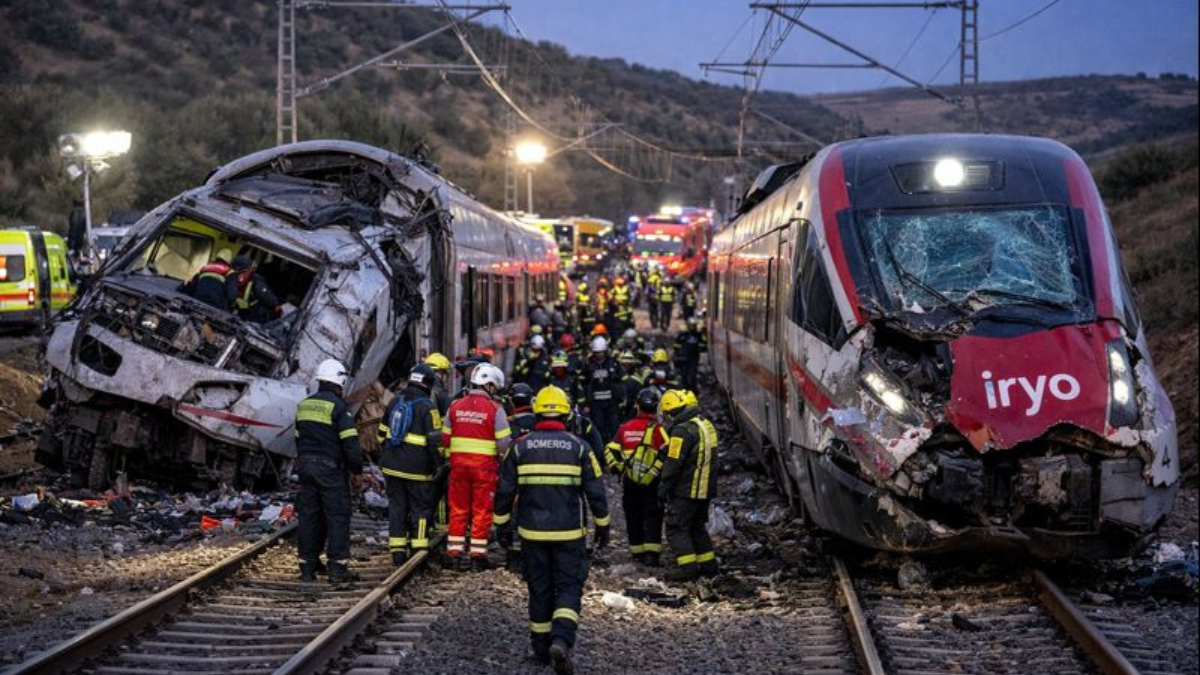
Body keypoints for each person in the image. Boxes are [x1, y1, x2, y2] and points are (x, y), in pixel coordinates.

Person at [493, 385, 610, 673]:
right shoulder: (579, 447)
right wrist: (603, 527)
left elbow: (505, 491)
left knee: (539, 587)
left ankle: (541, 646)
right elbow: (596, 491)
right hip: (569, 534)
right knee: (569, 586)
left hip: (532, 534)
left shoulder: (520, 446)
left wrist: (501, 526)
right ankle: (561, 639)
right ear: (566, 413)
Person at [294, 359, 363, 583]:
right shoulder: (339, 407)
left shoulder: (304, 405)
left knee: (309, 516)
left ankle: (307, 567)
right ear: (339, 381)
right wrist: (356, 470)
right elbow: (350, 443)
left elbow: (297, 438)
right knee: (337, 516)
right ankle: (337, 568)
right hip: (330, 470)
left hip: (305, 467)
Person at [442, 363, 511, 570]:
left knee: (458, 509)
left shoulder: (454, 406)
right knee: (481, 511)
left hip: (458, 468)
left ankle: (454, 553)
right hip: (484, 469)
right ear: (489, 385)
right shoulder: (495, 409)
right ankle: (477, 557)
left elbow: (445, 438)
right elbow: (504, 443)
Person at [377, 364, 443, 566]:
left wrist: (389, 456)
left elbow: (381, 434)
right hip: (417, 471)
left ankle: (397, 553)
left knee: (397, 508)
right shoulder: (428, 408)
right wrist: (438, 465)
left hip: (391, 467)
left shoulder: (395, 401)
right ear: (428, 384)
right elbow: (434, 443)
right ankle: (418, 551)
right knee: (420, 510)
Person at [657, 389, 719, 582]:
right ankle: (709, 567)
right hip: (704, 489)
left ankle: (688, 569)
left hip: (686, 490)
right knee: (696, 527)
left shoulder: (681, 430)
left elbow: (673, 464)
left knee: (676, 527)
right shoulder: (705, 424)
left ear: (672, 411)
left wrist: (662, 489)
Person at [605, 388, 669, 566]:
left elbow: (611, 449)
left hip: (629, 481)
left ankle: (637, 553)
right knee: (652, 516)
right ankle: (652, 555)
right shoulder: (659, 430)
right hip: (653, 482)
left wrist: (617, 468)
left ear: (637, 406)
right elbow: (669, 453)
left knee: (633, 515)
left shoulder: (625, 428)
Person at [577, 336, 626, 444]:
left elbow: (622, 380)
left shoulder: (613, 363)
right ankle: (601, 450)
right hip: (595, 403)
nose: (599, 355)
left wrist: (621, 396)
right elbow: (582, 384)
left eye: (601, 352)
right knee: (599, 428)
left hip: (612, 402)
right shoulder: (587, 364)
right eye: (596, 352)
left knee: (614, 427)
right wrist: (584, 404)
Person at [232, 255, 281, 324]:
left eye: (243, 272)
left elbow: (267, 296)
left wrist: (276, 305)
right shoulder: (232, 278)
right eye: (237, 272)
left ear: (249, 270)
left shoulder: (256, 281)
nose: (239, 275)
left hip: (255, 316)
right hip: (240, 313)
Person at [673, 318, 708, 391]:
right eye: (691, 326)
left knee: (693, 376)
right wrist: (677, 355)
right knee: (684, 376)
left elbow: (704, 345)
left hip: (694, 358)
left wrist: (700, 346)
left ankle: (693, 391)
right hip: (683, 358)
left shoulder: (698, 334)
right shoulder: (683, 334)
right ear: (688, 326)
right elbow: (676, 345)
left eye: (694, 326)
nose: (693, 327)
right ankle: (684, 390)